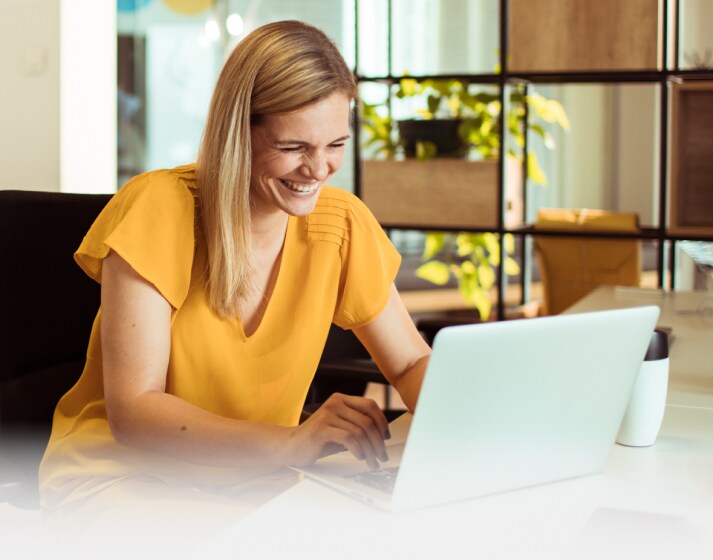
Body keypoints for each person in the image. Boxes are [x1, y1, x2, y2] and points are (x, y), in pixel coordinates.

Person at [39, 20, 431, 551]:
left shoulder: (340, 224)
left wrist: (479, 417)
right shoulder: (160, 208)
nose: (318, 169)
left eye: (335, 143)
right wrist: (296, 441)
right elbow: (134, 411)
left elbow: (409, 364)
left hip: (260, 484)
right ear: (237, 132)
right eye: (294, 146)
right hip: (122, 482)